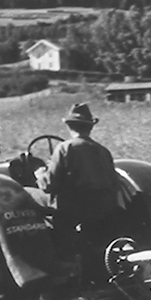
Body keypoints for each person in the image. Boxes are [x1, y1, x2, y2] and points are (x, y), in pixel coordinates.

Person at [34, 102, 120, 259]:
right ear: (90, 127)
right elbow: (115, 183)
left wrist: (40, 175)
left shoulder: (64, 148)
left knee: (38, 203)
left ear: (69, 126)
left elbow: (49, 185)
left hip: (72, 210)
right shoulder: (102, 150)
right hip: (102, 209)